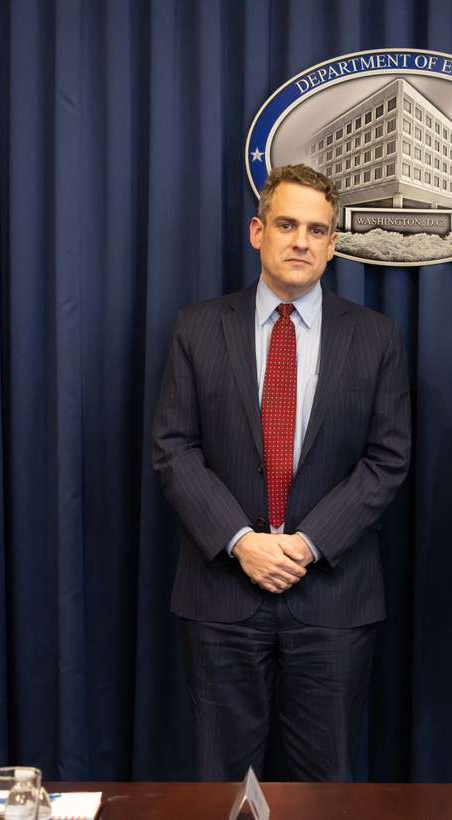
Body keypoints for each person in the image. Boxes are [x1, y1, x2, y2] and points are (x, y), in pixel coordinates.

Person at [153, 164, 410, 781]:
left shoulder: (375, 336)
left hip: (332, 596)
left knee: (327, 784)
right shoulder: (198, 327)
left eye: (317, 230)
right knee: (221, 783)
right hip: (221, 593)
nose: (301, 241)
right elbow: (175, 448)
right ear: (257, 231)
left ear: (333, 244)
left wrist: (304, 544)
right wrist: (242, 543)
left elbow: (387, 458)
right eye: (287, 225)